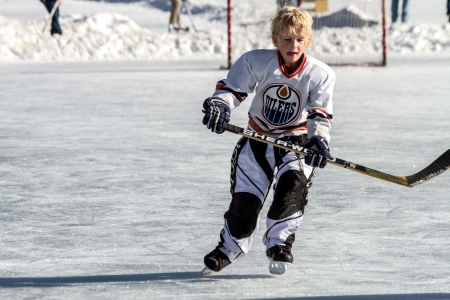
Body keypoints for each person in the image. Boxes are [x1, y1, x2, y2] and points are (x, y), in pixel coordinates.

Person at [201, 7, 335, 275]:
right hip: (256, 139)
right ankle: (230, 248)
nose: (293, 45)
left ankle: (280, 243)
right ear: (275, 39)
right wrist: (219, 104)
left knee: (292, 189)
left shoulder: (321, 73)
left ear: (307, 41)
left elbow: (320, 113)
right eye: (286, 39)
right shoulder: (256, 61)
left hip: (295, 144)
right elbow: (232, 89)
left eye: (299, 39)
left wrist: (318, 140)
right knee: (245, 201)